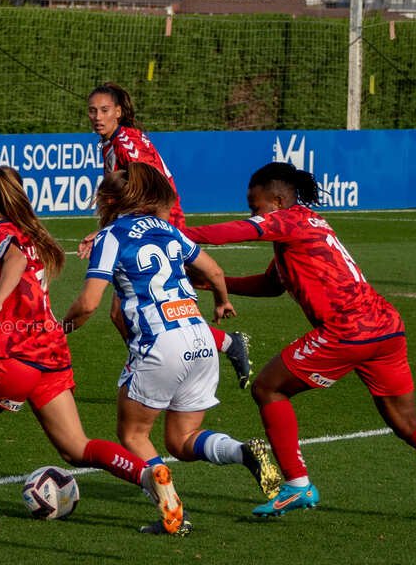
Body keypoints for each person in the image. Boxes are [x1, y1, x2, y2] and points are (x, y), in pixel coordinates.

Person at [182, 161, 416, 526]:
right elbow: (271, 285)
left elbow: (238, 231)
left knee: (268, 388)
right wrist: (215, 283)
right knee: (407, 422)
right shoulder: (304, 228)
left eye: (256, 206)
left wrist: (176, 233)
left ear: (278, 201)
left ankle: (298, 485)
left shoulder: (290, 220)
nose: (253, 213)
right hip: (385, 327)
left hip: (347, 329)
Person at [0, 166, 186, 538]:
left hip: (13, 356)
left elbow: (14, 262)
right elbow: (18, 273)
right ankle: (147, 475)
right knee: (76, 448)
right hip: (50, 354)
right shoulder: (31, 235)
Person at [62, 163, 282, 521]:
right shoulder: (167, 229)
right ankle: (242, 452)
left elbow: (88, 304)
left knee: (133, 435)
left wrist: (59, 330)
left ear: (109, 201)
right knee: (181, 440)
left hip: (161, 343)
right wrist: (222, 301)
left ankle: (172, 512)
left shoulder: (111, 236)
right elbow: (213, 271)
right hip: (201, 340)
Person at [80, 82, 254, 389]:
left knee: (129, 311)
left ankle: (151, 366)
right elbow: (129, 195)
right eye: (92, 111)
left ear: (118, 111)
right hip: (149, 225)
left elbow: (155, 190)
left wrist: (139, 230)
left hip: (157, 226)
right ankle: (221, 345)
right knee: (140, 310)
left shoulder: (126, 144)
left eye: (104, 110)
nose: (97, 116)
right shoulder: (112, 142)